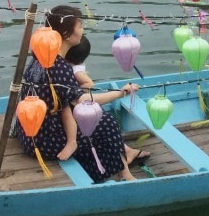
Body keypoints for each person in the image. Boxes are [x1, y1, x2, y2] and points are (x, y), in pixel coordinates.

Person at [17, 5, 140, 182]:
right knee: (106, 122)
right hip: (46, 141)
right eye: (80, 26)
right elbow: (84, 101)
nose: (82, 30)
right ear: (67, 35)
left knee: (92, 119)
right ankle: (123, 174)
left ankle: (111, 163)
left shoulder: (41, 57)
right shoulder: (60, 66)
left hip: (30, 134)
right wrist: (121, 93)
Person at [64, 35, 150, 165]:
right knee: (103, 118)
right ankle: (124, 157)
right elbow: (88, 86)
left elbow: (85, 89)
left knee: (101, 115)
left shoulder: (67, 69)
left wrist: (78, 90)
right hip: (74, 110)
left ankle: (125, 151)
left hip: (74, 107)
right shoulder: (76, 70)